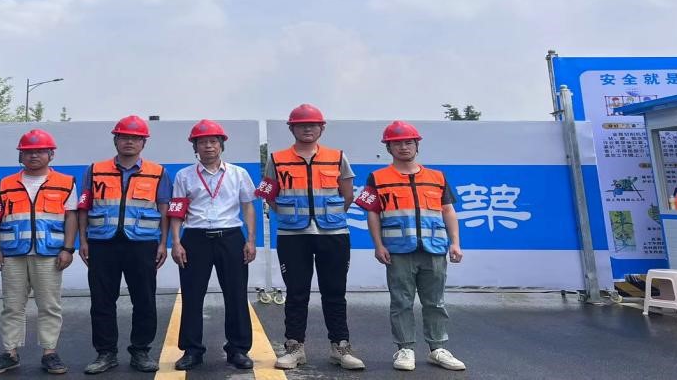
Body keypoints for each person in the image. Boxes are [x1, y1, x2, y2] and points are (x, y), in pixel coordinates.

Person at [255, 104, 364, 370]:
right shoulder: (277, 159)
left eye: (313, 125)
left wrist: (331, 217)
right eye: (301, 125)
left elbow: (347, 195)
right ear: (291, 128)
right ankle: (294, 348)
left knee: (335, 292)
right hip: (293, 235)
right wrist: (289, 216)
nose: (307, 128)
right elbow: (268, 193)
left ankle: (340, 347)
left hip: (333, 234)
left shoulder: (337, 157)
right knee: (296, 293)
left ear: (322, 128)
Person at [355, 121, 466, 372]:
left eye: (408, 142)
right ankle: (405, 348)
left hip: (433, 249)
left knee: (435, 302)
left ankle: (438, 348)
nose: (403, 147)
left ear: (417, 145)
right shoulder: (377, 177)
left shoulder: (437, 177)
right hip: (398, 251)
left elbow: (448, 210)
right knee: (401, 302)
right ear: (388, 148)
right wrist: (378, 245)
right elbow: (372, 213)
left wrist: (455, 243)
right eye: (397, 143)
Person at [78, 116, 173, 374]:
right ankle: (105, 353)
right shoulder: (94, 170)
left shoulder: (158, 172)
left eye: (135, 138)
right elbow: (84, 206)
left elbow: (164, 209)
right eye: (124, 137)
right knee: (101, 301)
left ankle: (141, 351)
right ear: (116, 140)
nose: (129, 142)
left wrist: (163, 243)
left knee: (144, 299)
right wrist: (83, 240)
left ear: (143, 143)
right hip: (102, 243)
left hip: (142, 244)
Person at [0, 129, 78, 376]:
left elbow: (71, 218)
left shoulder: (66, 182)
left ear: (51, 154)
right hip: (13, 254)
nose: (34, 155)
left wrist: (68, 249)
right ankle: (10, 353)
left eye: (40, 151)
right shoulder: (5, 184)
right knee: (12, 306)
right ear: (20, 156)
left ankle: (49, 352)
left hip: (49, 254)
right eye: (28, 152)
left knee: (49, 306)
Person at [167, 120, 257, 371]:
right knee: (192, 296)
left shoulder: (238, 174)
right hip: (195, 239)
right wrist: (176, 242)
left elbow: (248, 207)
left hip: (230, 237)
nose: (208, 146)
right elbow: (176, 211)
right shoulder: (184, 176)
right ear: (195, 147)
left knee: (236, 295)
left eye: (213, 141)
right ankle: (192, 350)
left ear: (221, 145)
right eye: (202, 142)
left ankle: (238, 349)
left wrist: (250, 240)